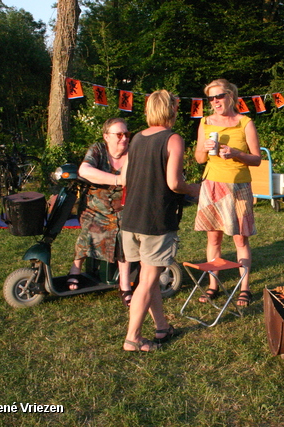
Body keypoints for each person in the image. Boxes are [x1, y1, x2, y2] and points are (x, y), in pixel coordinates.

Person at [121, 90, 200, 352]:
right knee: (147, 279)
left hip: (131, 218)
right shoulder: (173, 139)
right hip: (156, 219)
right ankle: (132, 338)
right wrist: (194, 189)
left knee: (148, 275)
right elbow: (174, 183)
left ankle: (162, 327)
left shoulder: (136, 139)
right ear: (172, 111)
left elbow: (126, 178)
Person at [194, 79, 261, 307]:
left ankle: (244, 288)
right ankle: (213, 286)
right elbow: (199, 159)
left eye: (219, 96)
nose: (215, 102)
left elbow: (257, 159)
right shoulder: (205, 123)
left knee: (240, 238)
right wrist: (203, 150)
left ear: (231, 95)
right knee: (214, 237)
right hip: (212, 183)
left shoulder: (245, 123)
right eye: (211, 98)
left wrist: (236, 154)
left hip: (239, 186)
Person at [67, 118, 133, 307]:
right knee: (89, 227)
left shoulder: (132, 153)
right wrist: (117, 179)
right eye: (119, 135)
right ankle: (75, 269)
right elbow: (85, 170)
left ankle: (124, 285)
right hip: (96, 205)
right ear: (106, 137)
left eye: (126, 134)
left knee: (124, 234)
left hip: (123, 207)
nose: (124, 139)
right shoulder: (98, 150)